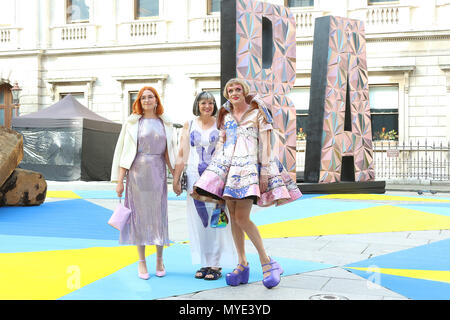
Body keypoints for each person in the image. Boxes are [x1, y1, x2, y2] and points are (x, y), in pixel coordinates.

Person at [192, 78, 302, 289]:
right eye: (230, 89)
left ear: (244, 91)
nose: (234, 92)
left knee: (242, 217)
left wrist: (265, 170)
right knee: (233, 217)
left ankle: (268, 262)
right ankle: (242, 264)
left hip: (250, 169)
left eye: (238, 89)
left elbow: (267, 142)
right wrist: (216, 175)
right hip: (228, 170)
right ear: (226, 93)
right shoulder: (225, 116)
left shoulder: (258, 112)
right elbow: (222, 143)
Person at [111, 86, 177, 280]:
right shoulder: (132, 123)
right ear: (139, 102)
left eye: (151, 97)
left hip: (158, 172)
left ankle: (159, 259)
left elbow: (168, 152)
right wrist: (120, 180)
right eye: (143, 98)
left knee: (158, 215)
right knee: (138, 217)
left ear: (157, 100)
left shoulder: (165, 123)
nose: (147, 100)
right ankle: (141, 261)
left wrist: (175, 176)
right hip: (137, 173)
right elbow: (123, 151)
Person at [173, 91, 237, 280]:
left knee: (216, 220)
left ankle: (216, 264)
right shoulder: (189, 124)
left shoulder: (222, 123)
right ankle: (204, 262)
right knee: (199, 221)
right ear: (197, 105)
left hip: (216, 178)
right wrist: (176, 179)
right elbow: (182, 153)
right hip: (194, 179)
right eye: (203, 103)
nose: (207, 106)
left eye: (210, 103)